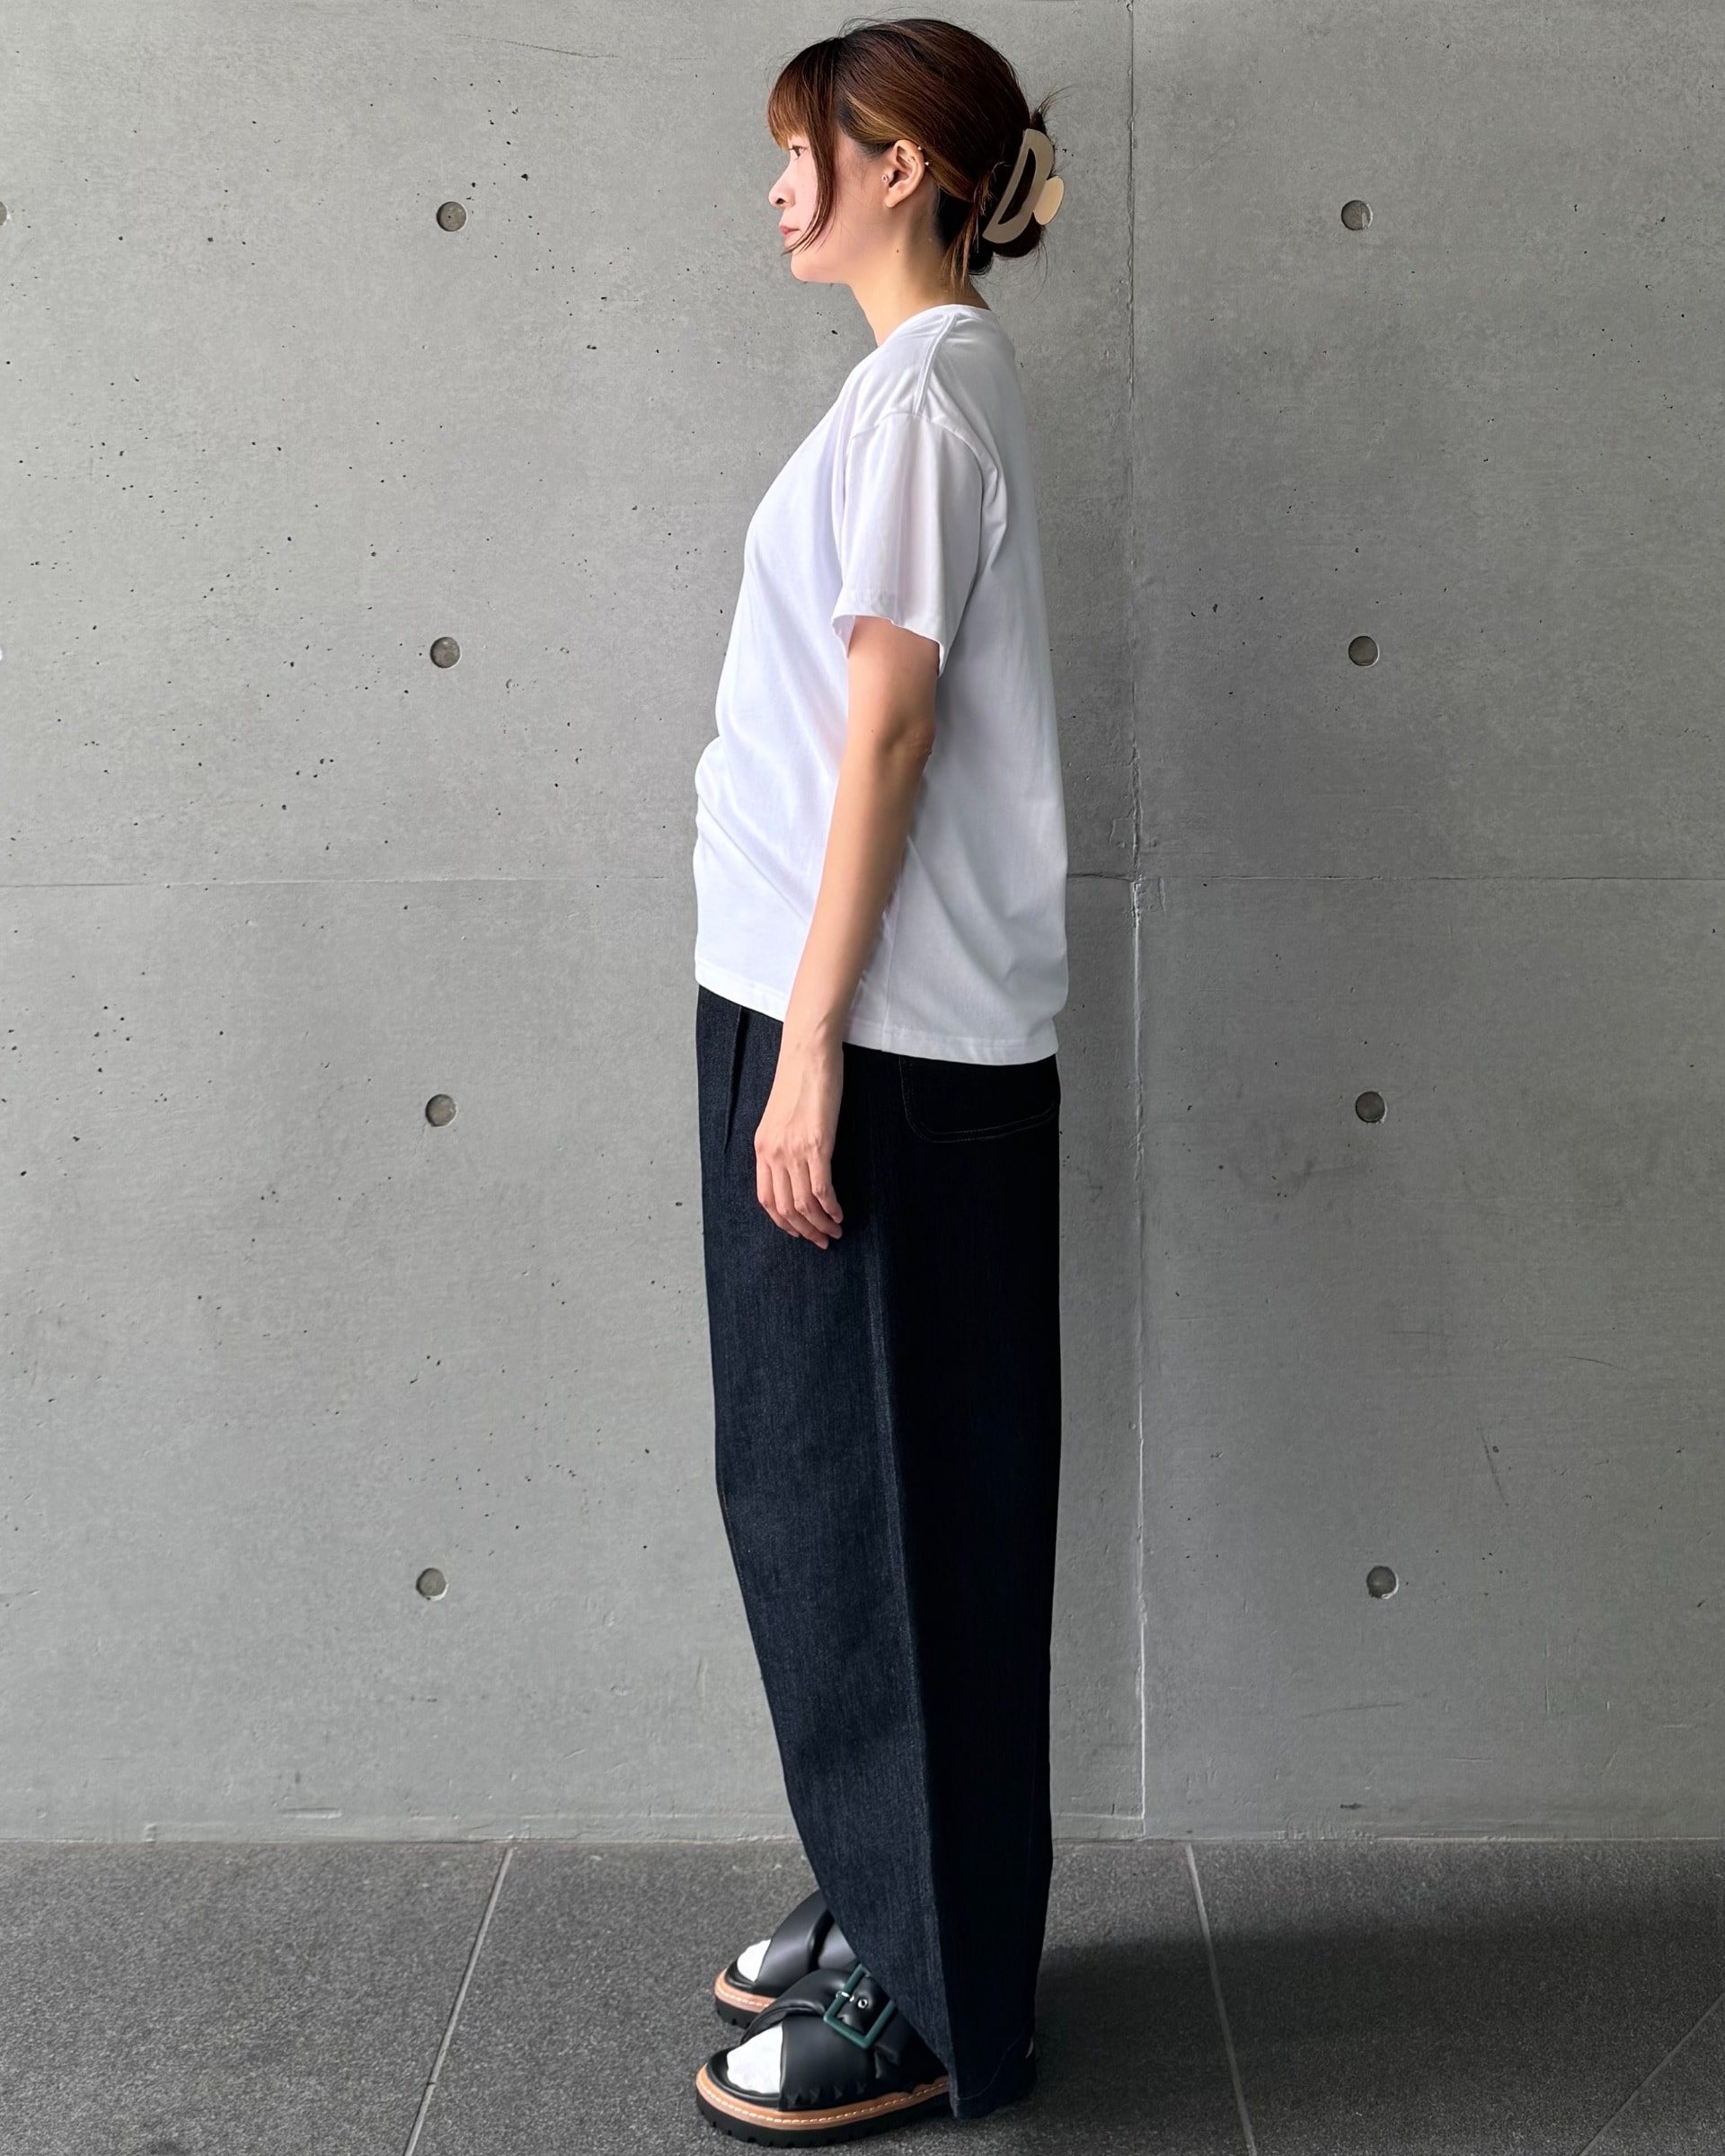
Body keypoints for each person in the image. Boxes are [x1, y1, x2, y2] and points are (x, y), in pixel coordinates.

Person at [689, 17, 1070, 2144]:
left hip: (880, 1037)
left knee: (878, 1507)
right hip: (857, 1018)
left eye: (805, 150)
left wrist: (813, 1043)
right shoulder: (915, 390)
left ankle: (926, 1997)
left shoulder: (923, 402)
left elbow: (891, 731)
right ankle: (895, 1890)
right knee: (844, 1494)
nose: (779, 186)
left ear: (902, 165)